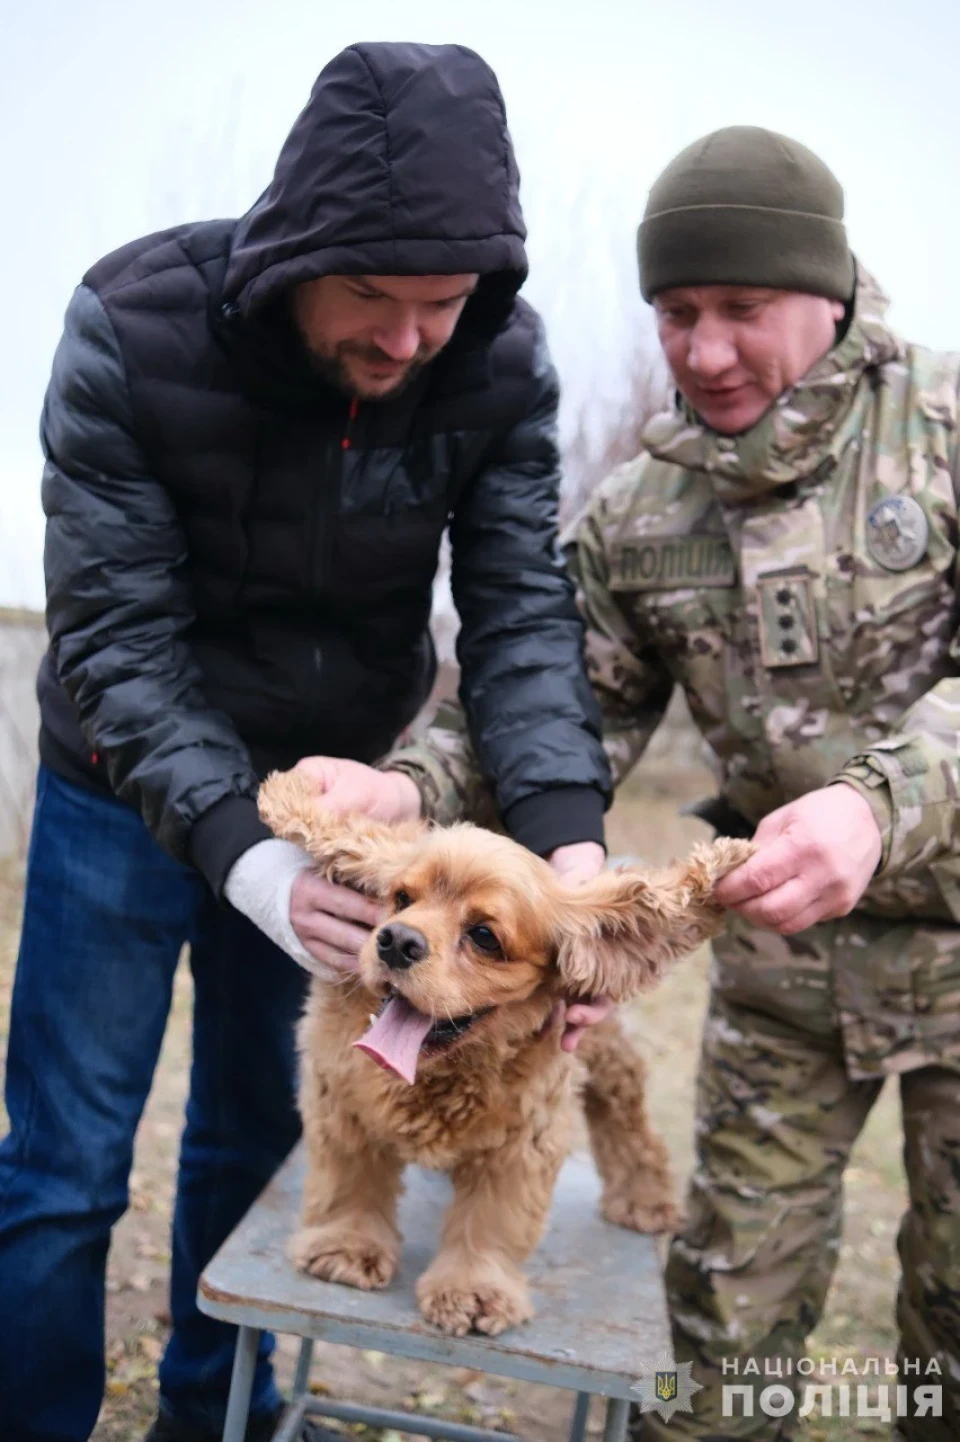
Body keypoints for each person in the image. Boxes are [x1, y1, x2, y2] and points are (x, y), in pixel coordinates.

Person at [0, 41, 613, 1442]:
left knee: (262, 1143)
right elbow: (115, 644)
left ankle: (209, 1421)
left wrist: (569, 842)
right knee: (67, 1162)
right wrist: (248, 864)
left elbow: (522, 615)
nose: (406, 340)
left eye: (443, 305)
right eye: (373, 298)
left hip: (346, 816)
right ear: (294, 255)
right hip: (123, 787)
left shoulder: (500, 367)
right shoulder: (132, 326)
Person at [319, 127, 960, 1440]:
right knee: (718, 1339)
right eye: (676, 313)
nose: (705, 351)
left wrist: (876, 803)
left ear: (828, 295)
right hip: (781, 985)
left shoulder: (945, 433)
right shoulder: (639, 514)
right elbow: (547, 723)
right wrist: (411, 787)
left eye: (742, 310)